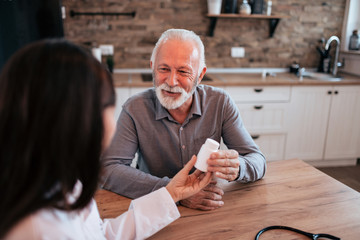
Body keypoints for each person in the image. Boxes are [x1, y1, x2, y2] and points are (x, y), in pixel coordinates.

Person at [0, 39, 212, 240]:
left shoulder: (61, 184)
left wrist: (171, 193)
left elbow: (99, 234)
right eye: (107, 107)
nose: (112, 125)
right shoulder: (44, 229)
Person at [101, 29, 266, 210]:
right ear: (152, 67)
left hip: (207, 206)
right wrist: (174, 193)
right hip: (154, 208)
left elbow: (257, 160)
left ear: (200, 75)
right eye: (163, 69)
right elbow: (110, 169)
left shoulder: (220, 102)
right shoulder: (134, 109)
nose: (171, 81)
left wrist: (238, 167)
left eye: (183, 71)